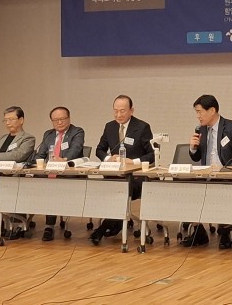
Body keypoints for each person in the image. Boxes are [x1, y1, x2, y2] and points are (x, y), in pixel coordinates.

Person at [182, 94, 232, 249]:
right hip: (206, 174)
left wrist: (228, 169)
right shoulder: (201, 129)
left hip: (226, 176)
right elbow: (197, 157)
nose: (198, 116)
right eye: (196, 112)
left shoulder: (231, 127)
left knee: (222, 187)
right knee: (185, 185)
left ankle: (225, 231)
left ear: (212, 110)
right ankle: (198, 231)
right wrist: (193, 148)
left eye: (200, 112)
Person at [90, 95, 154, 245]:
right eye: (115, 111)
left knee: (121, 191)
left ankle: (103, 229)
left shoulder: (142, 127)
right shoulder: (110, 126)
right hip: (114, 176)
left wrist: (133, 161)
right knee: (109, 189)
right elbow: (99, 150)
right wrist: (108, 158)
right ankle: (115, 225)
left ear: (131, 110)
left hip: (135, 177)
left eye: (122, 111)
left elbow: (152, 155)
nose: (118, 115)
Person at [34, 106, 85, 241]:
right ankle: (22, 223)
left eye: (63, 119)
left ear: (69, 118)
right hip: (49, 173)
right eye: (55, 120)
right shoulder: (48, 134)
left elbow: (76, 149)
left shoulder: (77, 132)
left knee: (51, 188)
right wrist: (38, 161)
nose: (59, 122)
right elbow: (40, 154)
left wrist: (64, 160)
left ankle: (49, 227)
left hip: (68, 175)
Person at [0, 106, 37, 236]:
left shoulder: (28, 138)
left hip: (13, 175)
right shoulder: (1, 138)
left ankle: (14, 222)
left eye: (11, 119)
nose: (8, 123)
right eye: (6, 120)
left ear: (21, 120)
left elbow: (19, 155)